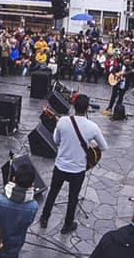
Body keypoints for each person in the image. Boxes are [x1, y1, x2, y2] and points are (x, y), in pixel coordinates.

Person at [39, 94, 108, 233]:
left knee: (53, 192)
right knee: (73, 197)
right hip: (78, 170)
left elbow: (56, 140)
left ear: (73, 106)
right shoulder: (93, 127)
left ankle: (44, 218)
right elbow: (103, 146)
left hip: (60, 166)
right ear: (88, 108)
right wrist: (89, 143)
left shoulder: (63, 121)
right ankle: (67, 225)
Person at [0, 162, 40, 258]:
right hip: (12, 246)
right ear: (32, 184)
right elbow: (27, 223)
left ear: (14, 179)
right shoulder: (33, 207)